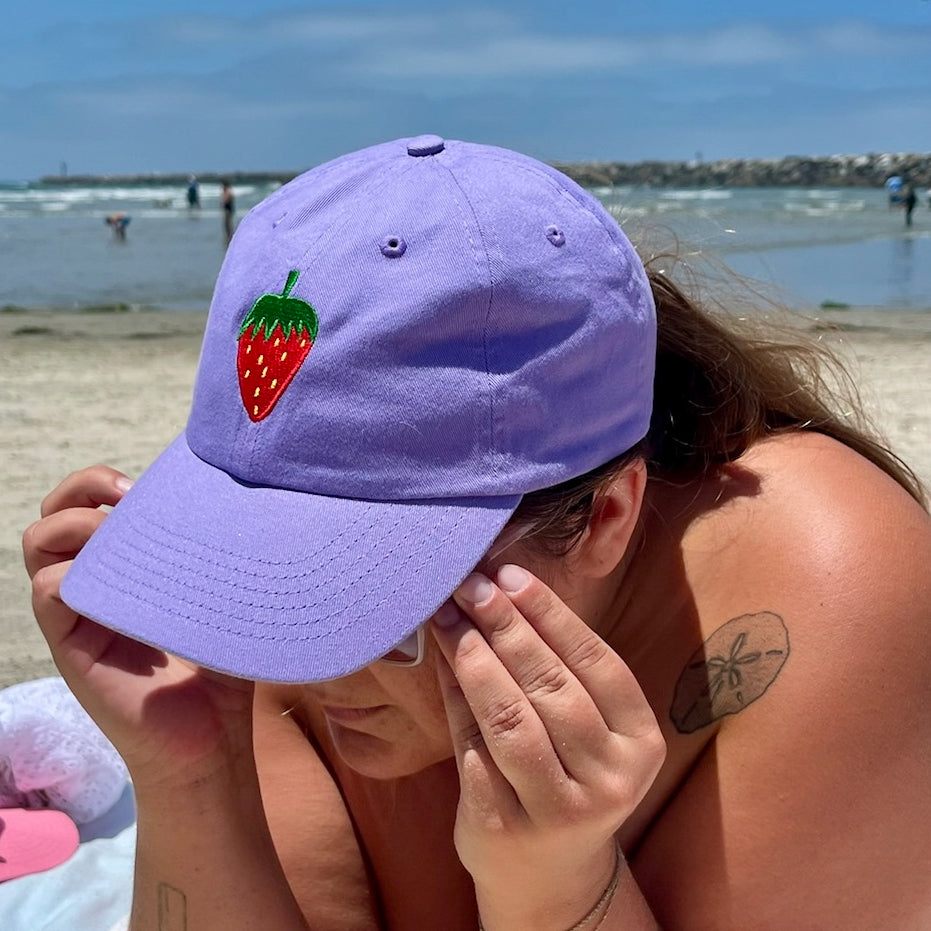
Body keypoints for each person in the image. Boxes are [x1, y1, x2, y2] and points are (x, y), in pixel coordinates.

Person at [24, 135, 931, 930]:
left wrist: (555, 889)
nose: (302, 652)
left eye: (382, 594)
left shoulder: (833, 588)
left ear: (607, 516)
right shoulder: (277, 636)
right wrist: (188, 776)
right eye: (267, 551)